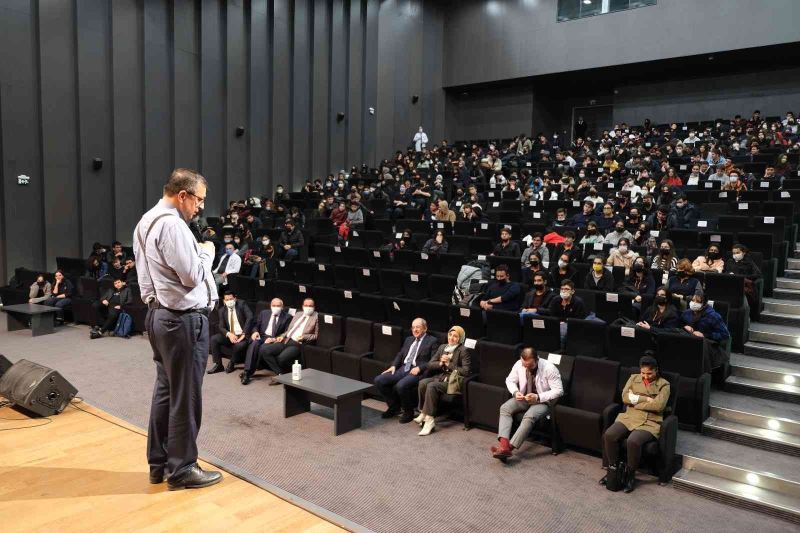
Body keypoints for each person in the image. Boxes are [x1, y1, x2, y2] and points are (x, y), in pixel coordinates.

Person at [133, 168, 222, 490]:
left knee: (166, 393)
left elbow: (145, 277)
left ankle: (159, 464)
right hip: (182, 321)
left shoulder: (146, 221)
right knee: (185, 396)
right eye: (198, 200)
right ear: (182, 195)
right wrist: (206, 252)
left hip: (159, 316)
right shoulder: (173, 225)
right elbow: (191, 276)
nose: (200, 207)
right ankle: (182, 469)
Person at [601, 355, 670, 493]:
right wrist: (646, 399)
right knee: (609, 435)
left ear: (656, 371)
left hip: (649, 421)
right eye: (643, 373)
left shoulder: (664, 384)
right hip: (629, 417)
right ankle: (613, 470)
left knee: (633, 441)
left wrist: (636, 402)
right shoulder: (633, 378)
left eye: (649, 373)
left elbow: (659, 406)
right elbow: (625, 397)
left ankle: (630, 475)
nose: (645, 376)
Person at [491, 347, 564, 462]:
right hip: (525, 398)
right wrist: (515, 392)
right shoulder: (519, 364)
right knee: (505, 408)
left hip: (542, 401)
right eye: (524, 365)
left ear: (537, 360)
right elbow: (510, 380)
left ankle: (508, 448)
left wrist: (539, 397)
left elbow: (559, 390)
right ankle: (504, 446)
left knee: (529, 416)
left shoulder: (549, 368)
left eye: (530, 366)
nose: (526, 368)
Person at [374, 318, 438, 423]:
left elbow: (434, 361)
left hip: (418, 371)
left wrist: (420, 368)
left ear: (425, 328)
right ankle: (394, 407)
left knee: (401, 386)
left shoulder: (432, 341)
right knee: (379, 380)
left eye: (418, 327)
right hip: (403, 368)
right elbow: (400, 353)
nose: (415, 330)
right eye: (413, 327)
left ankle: (408, 412)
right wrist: (394, 365)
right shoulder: (409, 339)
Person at [413, 326, 471, 436]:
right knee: (422, 383)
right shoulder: (443, 347)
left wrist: (449, 364)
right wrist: (440, 363)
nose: (451, 338)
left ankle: (429, 420)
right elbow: (430, 364)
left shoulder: (463, 351)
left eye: (455, 336)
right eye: (450, 335)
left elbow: (466, 371)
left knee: (432, 386)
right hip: (441, 377)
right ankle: (423, 412)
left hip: (453, 381)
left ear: (460, 338)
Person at [258, 298, 319, 385]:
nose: (308, 307)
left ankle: (281, 375)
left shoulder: (316, 317)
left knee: (281, 358)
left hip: (297, 343)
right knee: (264, 350)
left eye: (310, 306)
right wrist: (280, 337)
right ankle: (280, 374)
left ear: (314, 307)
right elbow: (289, 330)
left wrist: (304, 337)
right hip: (286, 339)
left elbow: (316, 335)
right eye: (306, 305)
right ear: (302, 306)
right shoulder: (298, 314)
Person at [240, 298, 292, 385]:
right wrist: (255, 332)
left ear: (282, 307)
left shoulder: (287, 317)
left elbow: (287, 332)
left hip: (275, 339)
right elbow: (255, 325)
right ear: (270, 306)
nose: (276, 307)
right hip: (262, 336)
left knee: (262, 348)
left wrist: (274, 339)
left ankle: (250, 372)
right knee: (254, 343)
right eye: (274, 305)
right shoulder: (264, 313)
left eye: (278, 306)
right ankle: (247, 372)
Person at [680, 289, 730, 370]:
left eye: (698, 301)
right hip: (689, 341)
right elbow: (678, 326)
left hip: (706, 345)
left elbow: (725, 335)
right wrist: (685, 327)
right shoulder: (686, 313)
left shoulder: (713, 316)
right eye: (693, 300)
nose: (694, 303)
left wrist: (705, 335)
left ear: (704, 304)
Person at [207, 291, 253, 374]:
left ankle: (232, 363)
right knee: (214, 339)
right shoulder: (222, 310)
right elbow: (221, 326)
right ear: (224, 301)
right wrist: (229, 334)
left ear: (235, 299)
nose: (229, 301)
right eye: (227, 300)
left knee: (239, 345)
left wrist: (243, 334)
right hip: (231, 335)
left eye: (231, 299)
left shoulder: (242, 304)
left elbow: (250, 317)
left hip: (243, 335)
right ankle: (218, 365)